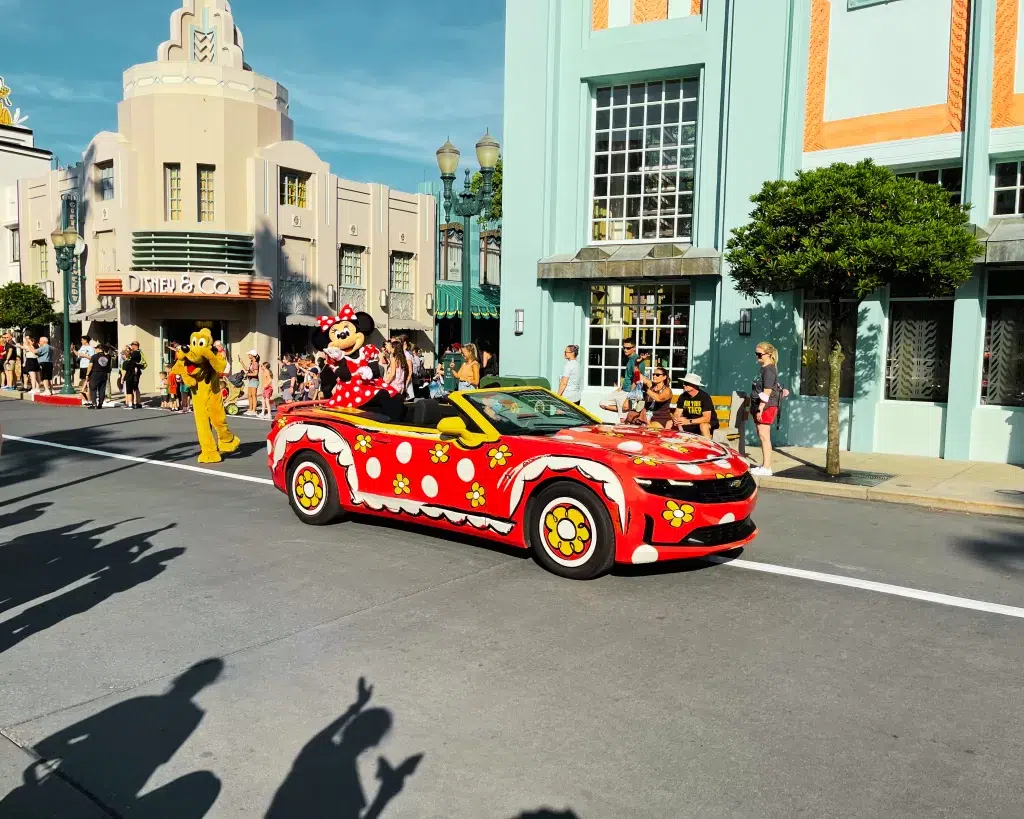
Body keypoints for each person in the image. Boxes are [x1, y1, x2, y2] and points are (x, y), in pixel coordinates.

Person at [751, 341, 783, 477]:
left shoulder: (769, 369)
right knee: (761, 435)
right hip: (759, 404)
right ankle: (764, 465)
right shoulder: (764, 368)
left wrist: (760, 408)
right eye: (756, 353)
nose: (757, 356)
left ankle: (767, 467)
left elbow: (767, 391)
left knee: (764, 436)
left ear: (768, 354)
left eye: (759, 354)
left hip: (766, 406)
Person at [673, 373, 718, 438]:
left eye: (686, 383)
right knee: (670, 423)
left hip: (707, 423)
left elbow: (706, 418)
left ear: (694, 385)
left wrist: (688, 421)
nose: (683, 385)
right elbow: (677, 412)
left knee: (703, 426)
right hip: (690, 423)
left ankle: (707, 446)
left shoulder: (704, 397)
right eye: (683, 383)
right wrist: (676, 418)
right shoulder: (683, 397)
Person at [86, 344, 114, 409]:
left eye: (96, 348)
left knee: (93, 389)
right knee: (102, 389)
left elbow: (90, 366)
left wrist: (87, 374)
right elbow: (108, 367)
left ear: (99, 349)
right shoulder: (108, 357)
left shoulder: (94, 356)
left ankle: (94, 404)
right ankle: (100, 404)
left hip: (95, 374)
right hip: (104, 374)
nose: (95, 349)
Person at [121, 345, 143, 409]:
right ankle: (136, 403)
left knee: (129, 391)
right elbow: (136, 369)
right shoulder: (134, 362)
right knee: (135, 389)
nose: (122, 356)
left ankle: (130, 404)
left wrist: (122, 378)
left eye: (123, 355)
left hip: (128, 378)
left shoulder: (125, 363)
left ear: (125, 356)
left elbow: (124, 371)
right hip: (134, 377)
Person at [240, 350, 260, 416]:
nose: (248, 356)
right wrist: (242, 363)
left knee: (253, 395)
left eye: (249, 354)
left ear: (252, 355)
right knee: (249, 395)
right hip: (251, 380)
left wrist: (247, 374)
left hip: (254, 380)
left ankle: (254, 410)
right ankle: (250, 409)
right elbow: (247, 369)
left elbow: (255, 373)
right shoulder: (251, 362)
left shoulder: (255, 363)